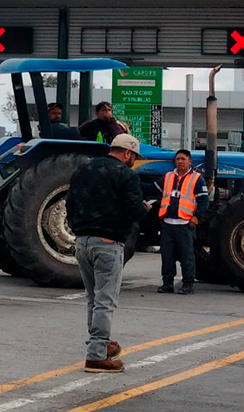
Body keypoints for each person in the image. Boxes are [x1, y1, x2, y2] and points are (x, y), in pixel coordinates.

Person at [66, 134, 150, 373]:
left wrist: (78, 229)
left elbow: (69, 203)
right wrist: (145, 208)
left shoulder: (82, 170)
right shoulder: (126, 175)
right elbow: (134, 212)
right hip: (108, 243)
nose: (133, 161)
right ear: (127, 153)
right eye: (134, 157)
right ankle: (96, 356)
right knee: (105, 301)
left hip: (82, 242)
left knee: (93, 299)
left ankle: (101, 344)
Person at [156, 150, 209, 295]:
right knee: (167, 256)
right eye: (178, 159)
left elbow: (204, 200)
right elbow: (154, 188)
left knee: (187, 256)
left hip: (185, 224)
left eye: (183, 159)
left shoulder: (197, 179)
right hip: (168, 223)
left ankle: (187, 285)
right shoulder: (168, 177)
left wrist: (196, 216)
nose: (180, 161)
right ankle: (167, 284)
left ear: (189, 161)